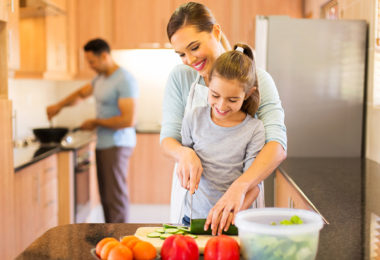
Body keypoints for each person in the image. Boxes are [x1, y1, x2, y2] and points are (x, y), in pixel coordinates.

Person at [160, 2, 287, 234]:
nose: (189, 59)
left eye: (194, 47)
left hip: (242, 204)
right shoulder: (180, 77)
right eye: (181, 54)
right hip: (192, 208)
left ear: (216, 32)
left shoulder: (259, 80)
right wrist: (184, 152)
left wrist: (240, 187)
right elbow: (168, 138)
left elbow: (276, 146)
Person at [46, 38, 138, 223]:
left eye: (92, 62)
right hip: (104, 143)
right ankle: (110, 239)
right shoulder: (100, 79)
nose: (90, 66)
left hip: (117, 144)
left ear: (104, 56)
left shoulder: (124, 79)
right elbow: (81, 94)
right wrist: (59, 105)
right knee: (106, 197)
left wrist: (95, 122)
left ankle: (120, 241)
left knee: (115, 198)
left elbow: (128, 120)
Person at [181, 44, 265, 235]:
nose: (221, 105)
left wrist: (229, 214)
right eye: (215, 95)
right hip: (193, 219)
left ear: (248, 94)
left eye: (232, 100)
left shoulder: (254, 129)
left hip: (234, 221)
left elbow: (253, 186)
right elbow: (184, 159)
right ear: (208, 84)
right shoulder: (193, 118)